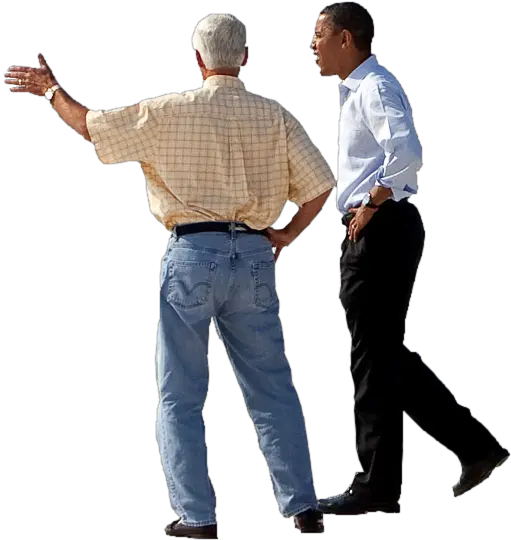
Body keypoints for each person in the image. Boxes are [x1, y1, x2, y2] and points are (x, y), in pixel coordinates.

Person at [3, 14, 337, 537]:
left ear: (198, 59)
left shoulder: (169, 112)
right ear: (243, 59)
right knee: (273, 390)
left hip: (192, 254)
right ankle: (304, 509)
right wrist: (287, 234)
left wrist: (50, 91)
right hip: (252, 255)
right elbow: (320, 184)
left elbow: (92, 127)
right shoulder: (275, 116)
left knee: (179, 395)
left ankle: (198, 516)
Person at [300, 1, 508, 516]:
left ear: (347, 38)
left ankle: (376, 482)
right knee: (387, 356)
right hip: (378, 228)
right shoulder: (356, 91)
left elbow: (407, 153)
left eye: (319, 35)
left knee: (371, 356)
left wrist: (371, 205)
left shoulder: (374, 87)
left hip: (381, 228)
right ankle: (473, 449)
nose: (313, 45)